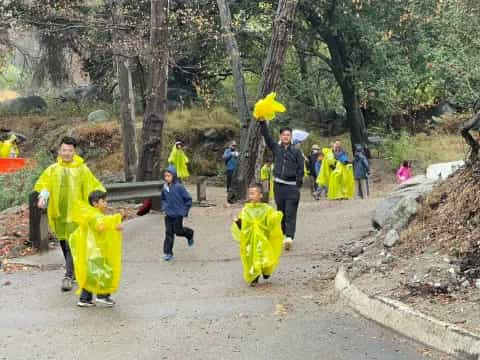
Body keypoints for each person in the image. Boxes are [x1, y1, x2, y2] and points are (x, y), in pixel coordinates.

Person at [35, 137, 105, 292]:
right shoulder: (53, 169)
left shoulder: (82, 169)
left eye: (70, 150)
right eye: (64, 150)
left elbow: (93, 186)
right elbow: (44, 184)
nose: (67, 153)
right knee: (63, 242)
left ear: (74, 151)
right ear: (60, 151)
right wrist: (43, 197)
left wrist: (98, 201)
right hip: (58, 214)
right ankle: (74, 270)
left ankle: (68, 275)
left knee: (70, 245)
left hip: (76, 215)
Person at [69, 191, 123, 307]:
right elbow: (100, 227)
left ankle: (85, 299)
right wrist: (113, 225)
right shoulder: (95, 216)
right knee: (104, 273)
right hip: (96, 251)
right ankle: (102, 296)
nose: (106, 203)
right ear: (95, 203)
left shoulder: (93, 213)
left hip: (93, 251)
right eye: (103, 201)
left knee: (92, 275)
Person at [259, 121, 304, 251]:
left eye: (288, 135)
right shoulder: (276, 148)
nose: (285, 137)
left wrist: (298, 184)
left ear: (291, 137)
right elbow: (267, 137)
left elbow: (301, 168)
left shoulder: (296, 152)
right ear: (280, 137)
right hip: (279, 186)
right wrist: (262, 122)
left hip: (292, 187)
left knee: (291, 212)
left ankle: (289, 237)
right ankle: (284, 234)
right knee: (281, 212)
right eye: (283, 135)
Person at [231, 183, 283, 286]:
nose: (251, 196)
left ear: (261, 195)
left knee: (264, 256)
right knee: (251, 257)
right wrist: (237, 221)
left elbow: (270, 223)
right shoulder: (246, 210)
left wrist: (275, 217)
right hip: (250, 241)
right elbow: (243, 226)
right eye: (250, 194)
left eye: (253, 193)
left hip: (263, 240)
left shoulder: (267, 209)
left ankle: (266, 271)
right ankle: (254, 276)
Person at [161, 165, 194, 261]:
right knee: (168, 233)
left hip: (178, 215)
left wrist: (184, 211)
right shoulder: (164, 188)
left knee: (178, 232)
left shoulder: (179, 187)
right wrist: (164, 208)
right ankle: (168, 253)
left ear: (174, 176)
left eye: (169, 176)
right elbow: (163, 199)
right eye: (165, 176)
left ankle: (190, 234)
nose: (166, 178)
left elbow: (188, 200)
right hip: (168, 214)